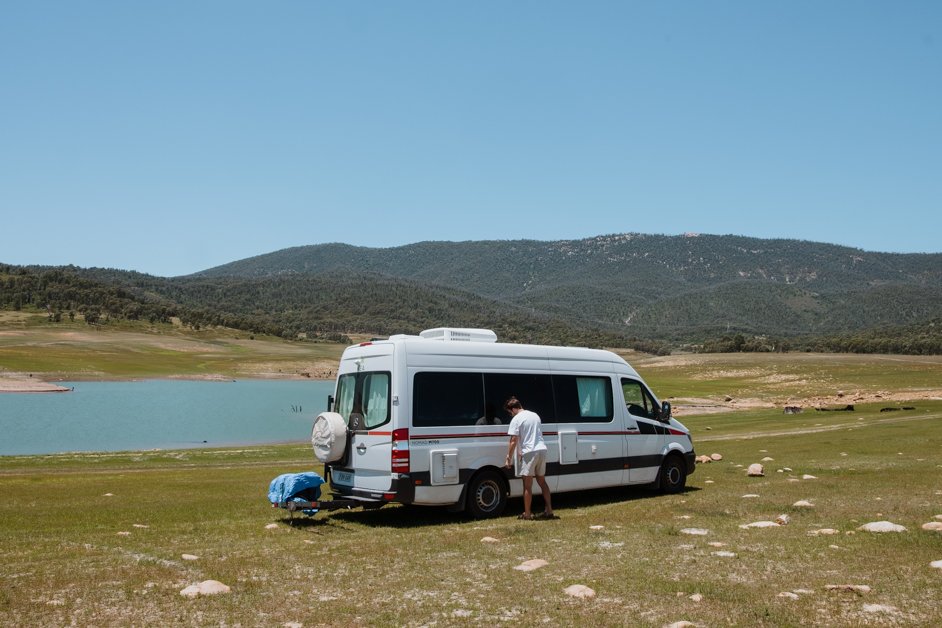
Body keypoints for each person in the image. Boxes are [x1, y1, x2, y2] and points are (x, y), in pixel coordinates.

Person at [503, 396, 556, 520]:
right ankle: (549, 510)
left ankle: (527, 514)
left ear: (513, 409)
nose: (510, 414)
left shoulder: (516, 419)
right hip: (542, 449)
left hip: (530, 452)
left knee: (527, 485)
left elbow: (513, 440)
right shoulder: (535, 415)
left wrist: (508, 458)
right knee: (542, 482)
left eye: (510, 412)